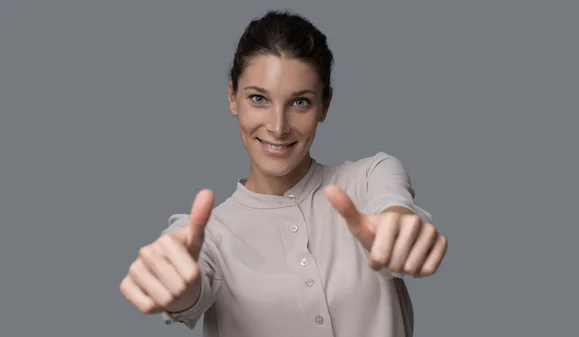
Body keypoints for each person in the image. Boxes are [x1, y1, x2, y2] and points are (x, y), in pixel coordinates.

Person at [119, 9, 447, 337]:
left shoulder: (368, 178)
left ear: (325, 105)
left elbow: (392, 205)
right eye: (259, 98)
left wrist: (400, 230)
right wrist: (176, 282)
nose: (278, 127)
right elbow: (187, 271)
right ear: (233, 97)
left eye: (300, 103)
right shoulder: (210, 235)